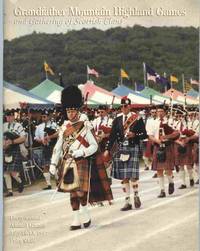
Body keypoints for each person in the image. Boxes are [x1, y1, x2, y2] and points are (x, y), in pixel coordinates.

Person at [49, 85, 113, 230]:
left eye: (72, 110)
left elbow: (94, 146)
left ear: (77, 110)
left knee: (80, 191)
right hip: (67, 162)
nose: (70, 114)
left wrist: (81, 152)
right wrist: (53, 164)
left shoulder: (85, 126)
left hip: (81, 161)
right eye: (68, 111)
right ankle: (76, 219)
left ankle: (85, 213)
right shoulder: (64, 127)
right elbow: (58, 147)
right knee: (72, 192)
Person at [104, 97, 147, 211]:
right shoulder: (117, 120)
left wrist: (135, 135)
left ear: (130, 106)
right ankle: (127, 201)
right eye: (122, 106)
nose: (124, 108)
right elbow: (112, 136)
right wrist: (107, 149)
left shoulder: (137, 118)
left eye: (126, 106)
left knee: (132, 175)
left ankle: (136, 195)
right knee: (124, 176)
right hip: (121, 148)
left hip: (132, 147)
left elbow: (144, 134)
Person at [148, 106, 180, 198]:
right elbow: (150, 135)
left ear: (165, 112)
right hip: (158, 146)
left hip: (167, 146)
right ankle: (162, 190)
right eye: (158, 111)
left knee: (168, 169)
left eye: (162, 111)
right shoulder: (153, 122)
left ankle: (171, 182)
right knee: (159, 170)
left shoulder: (170, 122)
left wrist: (166, 137)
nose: (160, 113)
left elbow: (177, 133)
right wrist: (157, 141)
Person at [3, 110, 26, 197]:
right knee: (5, 172)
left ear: (13, 116)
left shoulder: (18, 125)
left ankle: (20, 182)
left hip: (14, 149)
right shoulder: (3, 126)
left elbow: (23, 138)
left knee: (13, 172)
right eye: (7, 116)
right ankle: (10, 191)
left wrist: (12, 142)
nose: (8, 118)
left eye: (10, 116)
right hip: (5, 150)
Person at [34, 110, 58, 190]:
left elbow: (59, 133)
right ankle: (49, 184)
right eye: (42, 117)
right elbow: (36, 137)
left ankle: (58, 181)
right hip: (44, 147)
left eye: (45, 116)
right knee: (45, 166)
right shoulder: (39, 127)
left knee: (55, 165)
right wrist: (41, 140)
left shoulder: (54, 125)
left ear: (48, 117)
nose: (43, 118)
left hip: (53, 146)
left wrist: (49, 137)